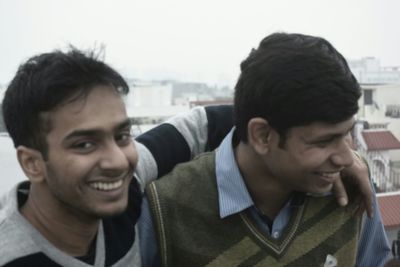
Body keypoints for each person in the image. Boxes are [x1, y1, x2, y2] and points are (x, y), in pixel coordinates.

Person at [0, 46, 374, 266]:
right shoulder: (155, 208)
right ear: (31, 162)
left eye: (123, 134)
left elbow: (205, 123)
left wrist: (324, 148)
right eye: (84, 144)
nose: (115, 160)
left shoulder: (129, 185)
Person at [141, 33, 391, 267]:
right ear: (262, 136)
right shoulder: (165, 208)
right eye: (323, 142)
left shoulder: (353, 187)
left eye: (347, 133)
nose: (347, 157)